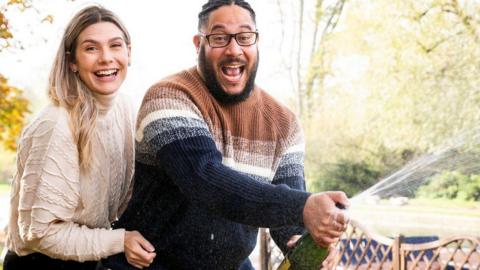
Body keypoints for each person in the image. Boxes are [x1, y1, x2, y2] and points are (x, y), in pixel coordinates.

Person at [104, 0, 349, 269]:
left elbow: (289, 216)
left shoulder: (285, 124)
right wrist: (304, 206)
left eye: (245, 37)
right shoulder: (169, 96)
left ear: (256, 43)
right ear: (199, 44)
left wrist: (306, 240)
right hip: (149, 264)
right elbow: (203, 178)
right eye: (220, 38)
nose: (234, 49)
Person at [3, 5, 156, 270]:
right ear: (72, 61)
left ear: (128, 53)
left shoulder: (126, 109)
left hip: (88, 261)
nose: (106, 58)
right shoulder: (56, 124)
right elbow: (40, 233)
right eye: (91, 48)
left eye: (115, 45)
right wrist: (120, 241)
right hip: (41, 265)